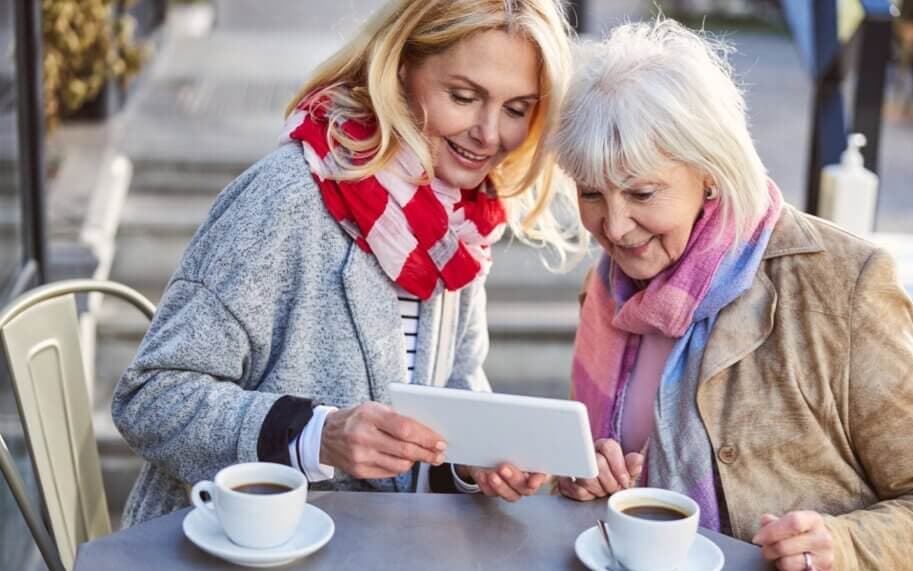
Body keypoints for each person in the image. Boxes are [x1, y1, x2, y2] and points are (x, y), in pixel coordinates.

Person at [551, 20, 913, 571]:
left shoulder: (841, 284)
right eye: (591, 194)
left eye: (642, 193)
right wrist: (590, 480)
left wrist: (841, 548)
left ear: (710, 172)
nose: (613, 228)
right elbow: (605, 468)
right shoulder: (610, 290)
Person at [112, 0, 578, 526]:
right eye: (464, 97)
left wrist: (473, 461)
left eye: (517, 109)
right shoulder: (285, 199)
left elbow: (455, 389)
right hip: (234, 557)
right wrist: (316, 435)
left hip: (368, 561)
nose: (490, 135)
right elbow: (151, 398)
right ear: (401, 70)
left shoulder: (461, 225)